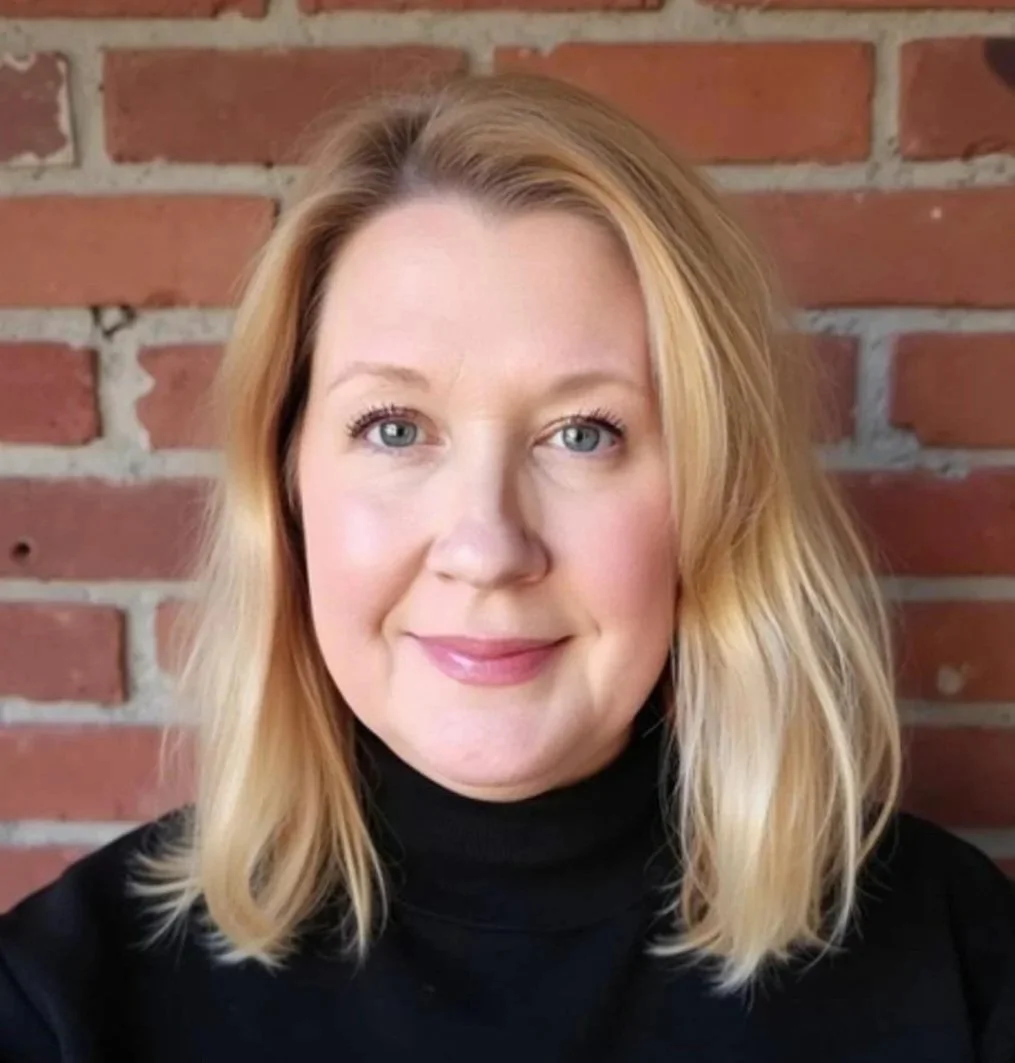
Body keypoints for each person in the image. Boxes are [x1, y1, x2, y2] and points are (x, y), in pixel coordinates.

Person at [1, 70, 1013, 1063]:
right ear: (289, 482)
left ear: (715, 490)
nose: (486, 547)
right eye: (395, 426)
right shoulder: (59, 1004)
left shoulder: (961, 965)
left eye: (583, 433)